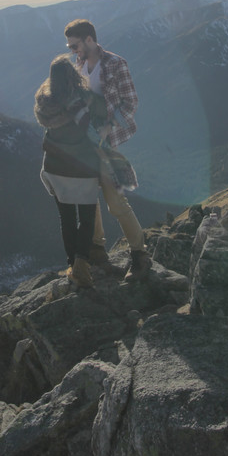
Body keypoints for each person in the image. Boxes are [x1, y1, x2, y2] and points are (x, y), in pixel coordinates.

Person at [64, 19, 151, 281]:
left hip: (105, 144)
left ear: (89, 39)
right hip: (84, 145)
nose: (72, 51)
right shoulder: (78, 65)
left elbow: (131, 103)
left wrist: (108, 127)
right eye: (69, 47)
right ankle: (98, 252)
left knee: (115, 202)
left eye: (75, 45)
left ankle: (140, 255)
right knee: (89, 200)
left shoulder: (115, 64)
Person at [34, 55, 105, 287]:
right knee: (86, 219)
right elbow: (93, 134)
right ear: (72, 75)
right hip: (80, 169)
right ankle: (82, 267)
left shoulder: (45, 103)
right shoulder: (79, 101)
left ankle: (72, 265)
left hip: (54, 168)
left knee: (66, 218)